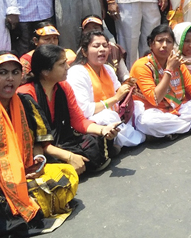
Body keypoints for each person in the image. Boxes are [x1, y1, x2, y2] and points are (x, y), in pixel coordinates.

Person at [0, 4, 78, 238]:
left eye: (15, 72)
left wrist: (36, 164)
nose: (10, 78)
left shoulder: (22, 101)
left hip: (23, 172)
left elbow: (36, 143)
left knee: (66, 174)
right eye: (2, 73)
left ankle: (26, 203)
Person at [18, 45, 120, 174]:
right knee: (52, 159)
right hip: (39, 146)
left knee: (94, 142)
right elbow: (37, 142)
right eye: (62, 64)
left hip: (61, 140)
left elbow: (78, 121)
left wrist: (103, 130)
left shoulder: (63, 86)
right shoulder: (26, 95)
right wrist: (69, 156)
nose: (67, 67)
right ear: (45, 71)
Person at [131, 24, 191, 138]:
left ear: (173, 45)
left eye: (168, 41)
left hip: (178, 109)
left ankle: (176, 129)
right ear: (151, 44)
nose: (164, 45)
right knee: (148, 123)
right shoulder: (142, 65)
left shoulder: (178, 63)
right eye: (160, 41)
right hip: (153, 111)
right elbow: (155, 99)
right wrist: (169, 70)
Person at [67, 31, 146, 150]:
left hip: (115, 114)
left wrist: (128, 92)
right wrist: (115, 98)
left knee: (139, 106)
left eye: (105, 45)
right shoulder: (77, 72)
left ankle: (123, 139)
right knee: (108, 117)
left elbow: (118, 94)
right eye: (96, 46)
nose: (102, 49)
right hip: (90, 121)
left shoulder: (108, 69)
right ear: (84, 51)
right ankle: (135, 137)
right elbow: (84, 111)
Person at [80, 15, 129, 81]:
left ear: (102, 30)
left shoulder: (114, 49)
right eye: (88, 29)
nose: (92, 31)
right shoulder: (80, 53)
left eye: (96, 28)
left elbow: (124, 74)